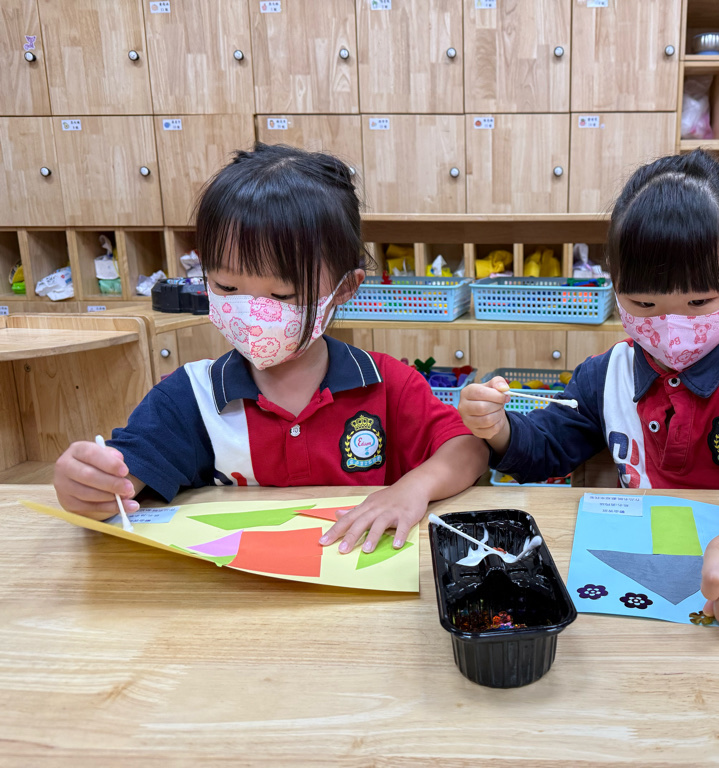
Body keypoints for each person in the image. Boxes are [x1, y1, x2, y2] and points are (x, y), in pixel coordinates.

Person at [458, 150, 719, 624]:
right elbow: (548, 446)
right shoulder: (607, 375)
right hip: (645, 580)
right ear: (615, 285)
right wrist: (499, 428)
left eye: (699, 302)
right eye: (644, 303)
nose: (672, 327)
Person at [54, 143, 488, 554]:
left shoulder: (385, 383)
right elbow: (125, 478)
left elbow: (468, 449)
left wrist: (412, 488)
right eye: (227, 286)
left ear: (344, 289)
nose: (253, 312)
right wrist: (92, 485)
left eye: (282, 295)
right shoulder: (190, 396)